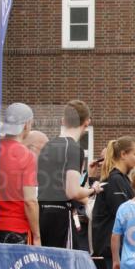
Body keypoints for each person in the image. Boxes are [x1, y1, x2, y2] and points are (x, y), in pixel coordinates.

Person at [37, 100, 99, 249]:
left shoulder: (48, 145)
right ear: (87, 122)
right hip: (61, 216)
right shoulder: (73, 148)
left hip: (42, 213)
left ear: (63, 121)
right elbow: (72, 191)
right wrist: (93, 190)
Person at [91, 135, 135, 269]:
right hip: (113, 245)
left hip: (120, 244)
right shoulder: (115, 180)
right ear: (123, 154)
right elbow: (123, 214)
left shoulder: (123, 179)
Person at [0, 103, 40, 245]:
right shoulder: (27, 156)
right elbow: (30, 201)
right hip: (17, 229)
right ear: (26, 125)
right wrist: (37, 235)